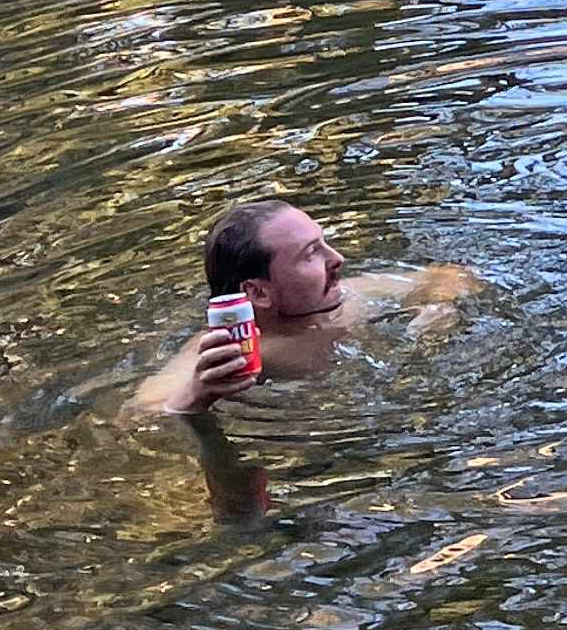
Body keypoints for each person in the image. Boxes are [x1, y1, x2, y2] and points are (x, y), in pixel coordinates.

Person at [136, 196, 475, 513]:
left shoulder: (350, 301)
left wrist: (438, 308)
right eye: (311, 253)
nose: (337, 259)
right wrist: (195, 396)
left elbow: (449, 275)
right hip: (293, 469)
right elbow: (140, 414)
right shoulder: (225, 348)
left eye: (324, 243)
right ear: (257, 292)